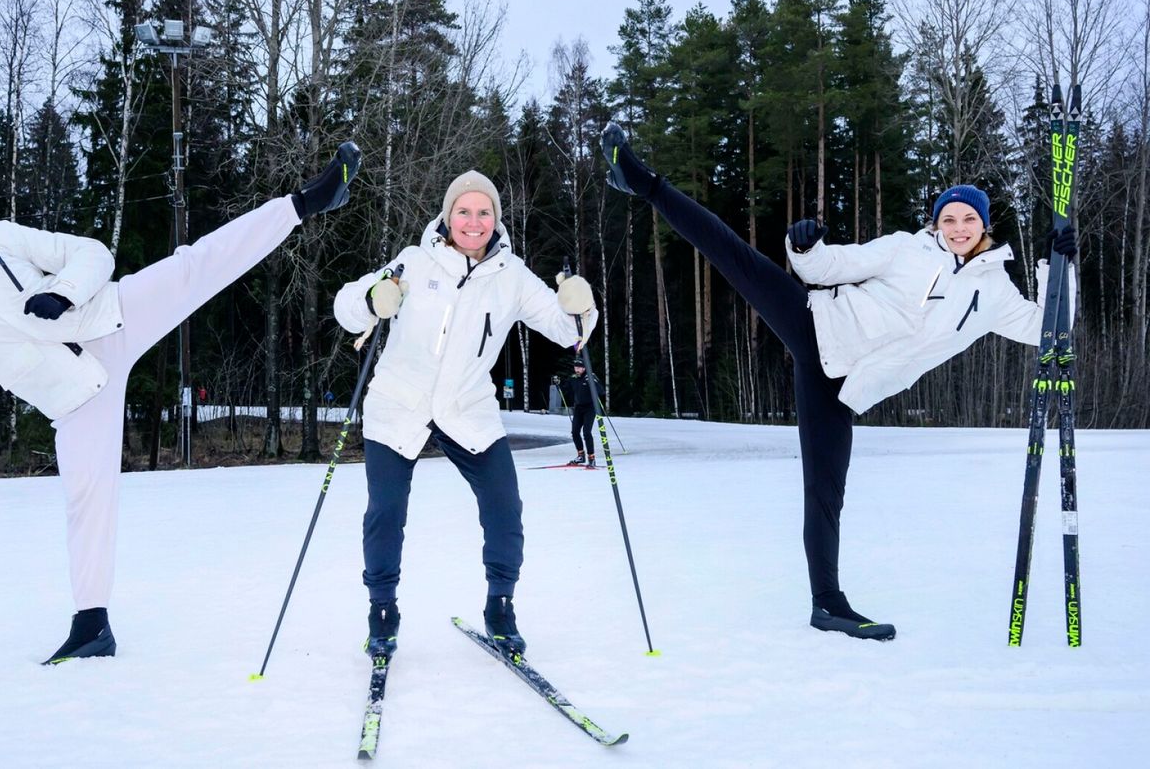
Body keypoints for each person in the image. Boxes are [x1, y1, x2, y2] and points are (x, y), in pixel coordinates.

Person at [0, 143, 363, 664]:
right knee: (87, 499)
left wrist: (62, 291)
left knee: (195, 267)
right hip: (70, 396)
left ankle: (306, 202)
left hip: (106, 321)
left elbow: (89, 253)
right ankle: (92, 625)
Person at [600, 123, 1077, 641]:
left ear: (984, 224)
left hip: (845, 387)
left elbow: (1050, 329)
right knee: (736, 256)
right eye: (948, 218)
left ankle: (827, 604)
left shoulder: (995, 294)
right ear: (936, 223)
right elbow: (830, 265)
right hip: (816, 323)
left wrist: (1058, 266)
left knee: (825, 492)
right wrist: (804, 247)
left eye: (968, 218)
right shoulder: (904, 250)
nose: (957, 227)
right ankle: (643, 181)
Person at [333, 171, 597, 660]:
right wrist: (374, 298)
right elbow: (348, 306)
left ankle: (501, 607)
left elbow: (568, 329)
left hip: (467, 407)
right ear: (448, 215)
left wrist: (582, 306)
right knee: (385, 512)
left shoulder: (511, 275)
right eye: (464, 211)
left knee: (504, 507)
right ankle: (382, 611)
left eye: (484, 212)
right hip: (399, 404)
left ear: (496, 219)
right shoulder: (413, 260)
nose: (473, 222)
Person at [565, 361, 604, 466]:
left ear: (584, 368)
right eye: (575, 367)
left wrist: (593, 382)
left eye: (579, 368)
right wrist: (558, 384)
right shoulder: (573, 378)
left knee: (587, 432)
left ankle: (591, 458)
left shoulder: (590, 376)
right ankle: (581, 456)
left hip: (590, 407)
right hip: (578, 408)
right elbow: (565, 389)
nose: (577, 370)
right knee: (574, 432)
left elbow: (601, 391)